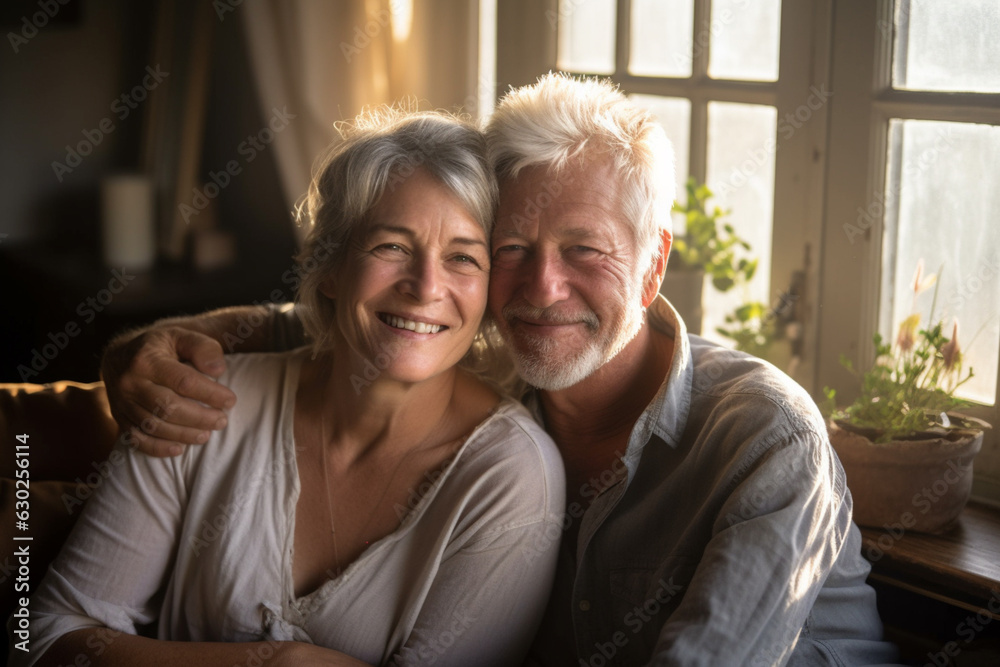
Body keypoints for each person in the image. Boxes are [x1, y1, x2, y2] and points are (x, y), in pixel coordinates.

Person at [96, 75, 901, 665]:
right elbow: (318, 322)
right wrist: (149, 348)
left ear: (654, 265)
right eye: (510, 250)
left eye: (584, 250)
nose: (542, 289)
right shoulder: (489, 361)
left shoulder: (765, 437)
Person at [12, 107, 565, 667]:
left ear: (490, 294)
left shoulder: (512, 477)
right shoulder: (198, 402)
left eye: (463, 258)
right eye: (391, 247)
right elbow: (45, 636)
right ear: (329, 266)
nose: (425, 287)